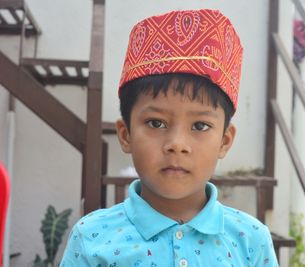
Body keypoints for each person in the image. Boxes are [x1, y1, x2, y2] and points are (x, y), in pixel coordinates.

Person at [61, 9, 279, 267]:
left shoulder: (250, 240)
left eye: (200, 125)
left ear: (225, 141)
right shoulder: (92, 238)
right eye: (156, 123)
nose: (177, 144)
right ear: (126, 134)